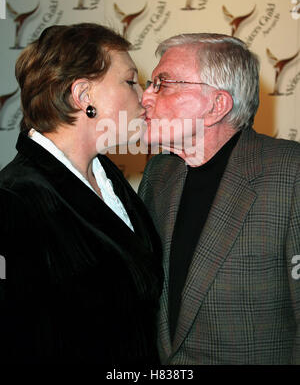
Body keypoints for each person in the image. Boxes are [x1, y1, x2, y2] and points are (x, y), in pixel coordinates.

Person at [0, 23, 163, 364]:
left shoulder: (111, 182)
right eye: (130, 81)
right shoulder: (14, 200)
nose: (145, 96)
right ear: (83, 95)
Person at [139, 33, 300, 365]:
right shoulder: (159, 173)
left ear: (216, 105)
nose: (145, 97)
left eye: (163, 84)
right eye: (150, 83)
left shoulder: (291, 172)